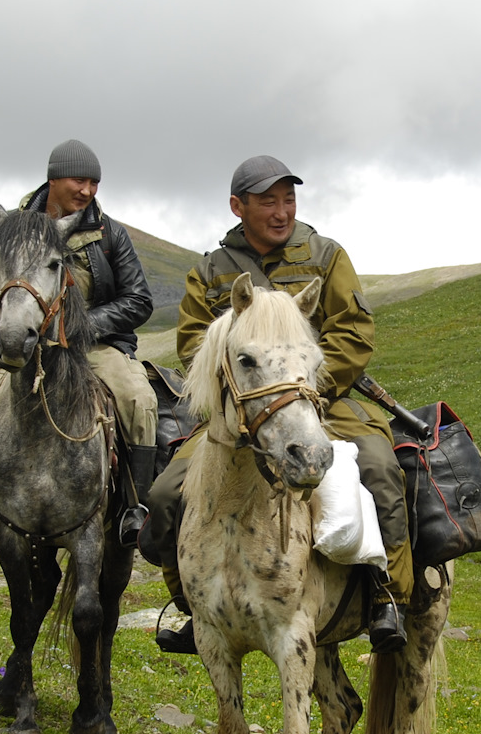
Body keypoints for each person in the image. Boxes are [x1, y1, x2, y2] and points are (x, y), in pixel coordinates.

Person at [141, 155, 411, 653]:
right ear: (238, 206)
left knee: (379, 470)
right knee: (163, 495)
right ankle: (191, 605)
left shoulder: (326, 256)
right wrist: (245, 396)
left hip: (323, 401)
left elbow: (353, 332)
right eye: (269, 201)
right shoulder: (210, 272)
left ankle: (386, 596)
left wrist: (305, 390)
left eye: (289, 199)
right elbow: (194, 345)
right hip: (239, 411)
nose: (282, 211)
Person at [0, 139, 159, 544]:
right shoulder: (12, 228)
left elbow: (138, 299)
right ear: (53, 178)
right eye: (79, 180)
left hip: (92, 344)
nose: (87, 191)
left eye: (94, 183)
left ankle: (134, 505)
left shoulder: (109, 232)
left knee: (139, 401)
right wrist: (7, 324)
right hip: (13, 341)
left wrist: (82, 326)